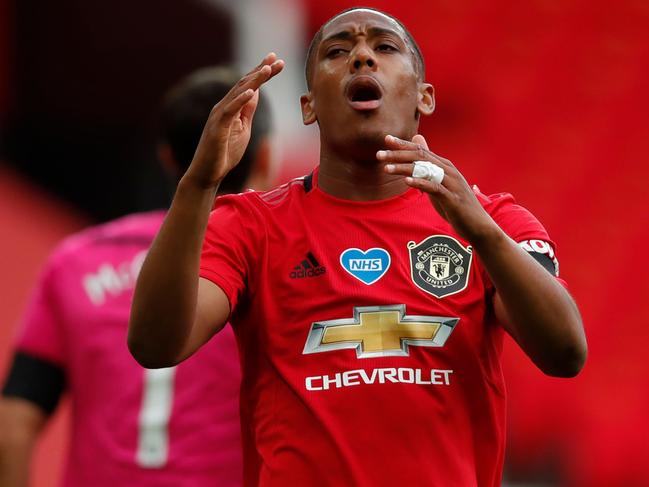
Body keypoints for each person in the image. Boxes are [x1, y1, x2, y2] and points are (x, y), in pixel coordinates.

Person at [128, 7, 587, 487]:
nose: (362, 57)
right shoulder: (252, 227)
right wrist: (200, 183)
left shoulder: (494, 222)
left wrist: (482, 232)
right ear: (308, 107)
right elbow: (156, 344)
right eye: (338, 51)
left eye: (384, 48)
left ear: (424, 98)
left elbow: (564, 353)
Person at [0, 66, 273, 487]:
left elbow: (15, 421)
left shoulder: (78, 259)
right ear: (268, 155)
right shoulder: (275, 261)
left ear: (165, 156)